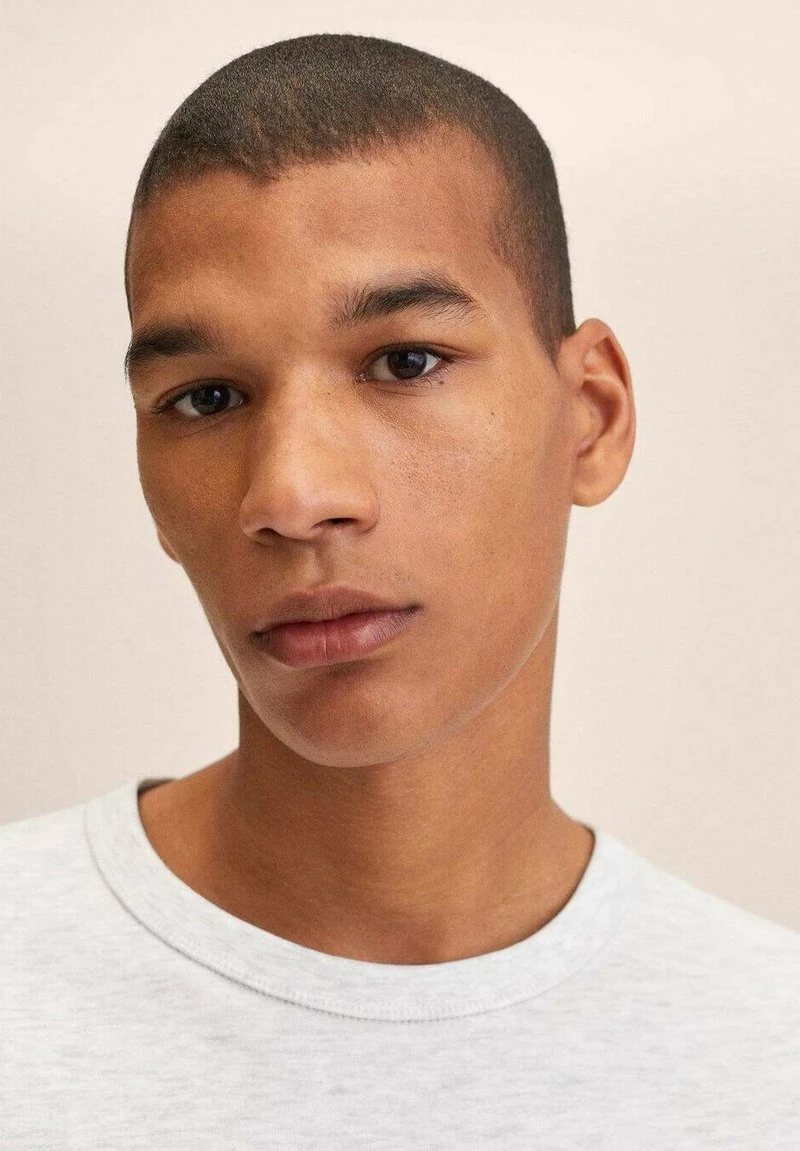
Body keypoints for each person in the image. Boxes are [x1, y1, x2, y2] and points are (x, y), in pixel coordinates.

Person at [2, 32, 798, 1149]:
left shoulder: (770, 1055)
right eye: (207, 397)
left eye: (404, 361)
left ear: (593, 417)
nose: (291, 494)